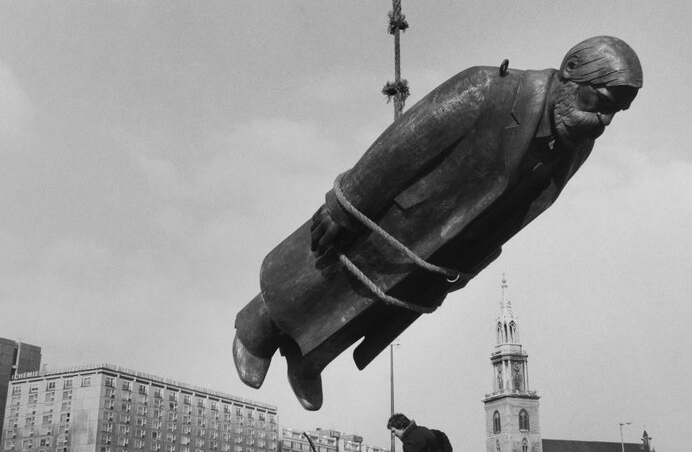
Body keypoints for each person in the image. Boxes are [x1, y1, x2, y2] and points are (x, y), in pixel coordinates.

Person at [233, 36, 643, 410]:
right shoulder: (488, 88)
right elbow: (400, 146)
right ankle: (256, 332)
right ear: (571, 71)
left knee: (371, 307)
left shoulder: (575, 147)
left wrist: (469, 264)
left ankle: (308, 360)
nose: (606, 119)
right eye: (602, 101)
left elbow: (521, 213)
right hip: (401, 213)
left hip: (448, 247)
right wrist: (347, 203)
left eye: (616, 112)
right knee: (321, 276)